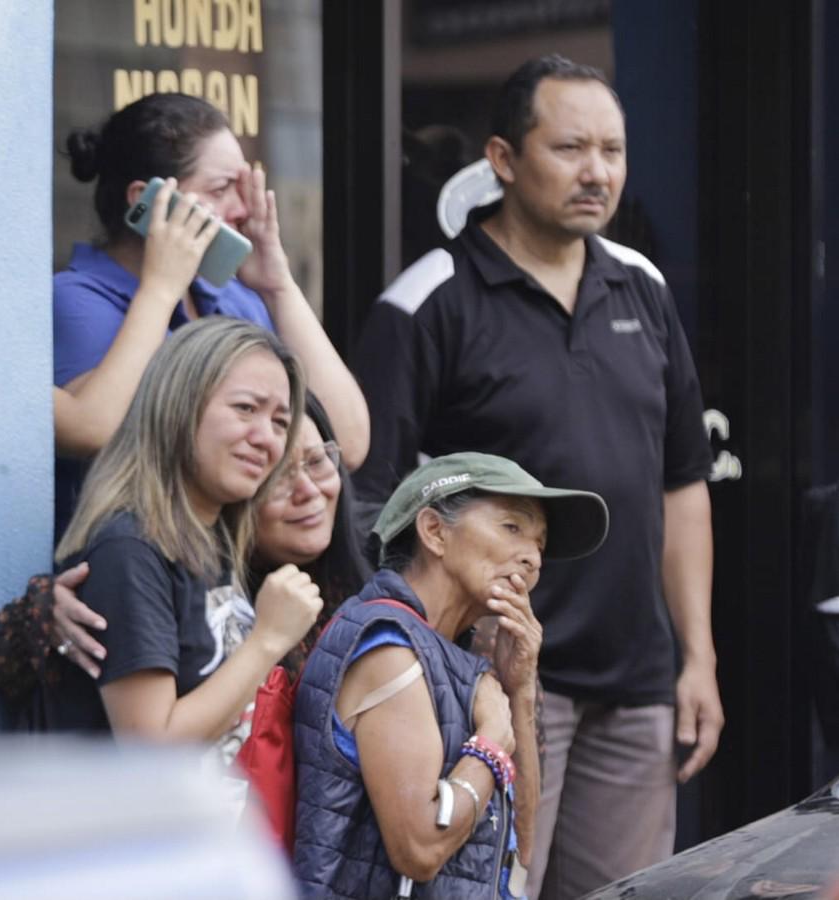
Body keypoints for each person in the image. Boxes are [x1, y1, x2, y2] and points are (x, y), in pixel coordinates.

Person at [351, 55, 724, 898]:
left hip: (633, 681)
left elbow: (681, 483)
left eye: (612, 151)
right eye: (568, 148)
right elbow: (372, 505)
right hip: (492, 677)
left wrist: (695, 656)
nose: (597, 172)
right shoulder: (429, 299)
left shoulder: (642, 286)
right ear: (502, 159)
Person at [293, 452, 608, 899]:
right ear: (435, 532)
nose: (532, 559)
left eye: (539, 545)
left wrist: (519, 690)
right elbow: (420, 849)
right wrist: (492, 740)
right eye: (512, 527)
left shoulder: (452, 658)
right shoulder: (388, 646)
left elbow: (521, 849)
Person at [54, 92, 369, 536]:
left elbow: (347, 443)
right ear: (147, 201)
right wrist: (160, 289)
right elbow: (94, 430)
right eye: (220, 191)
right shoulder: (76, 298)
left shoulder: (232, 299)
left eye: (242, 189)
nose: (241, 210)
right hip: (127, 558)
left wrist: (278, 286)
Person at [44, 317, 322, 766]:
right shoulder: (130, 550)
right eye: (245, 408)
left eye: (279, 422)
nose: (266, 439)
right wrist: (267, 640)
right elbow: (152, 746)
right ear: (179, 404)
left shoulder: (214, 538)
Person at [0, 391, 370, 700]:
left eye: (317, 461)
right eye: (277, 478)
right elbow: (153, 739)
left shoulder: (377, 561)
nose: (308, 491)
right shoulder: (170, 583)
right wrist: (41, 615)